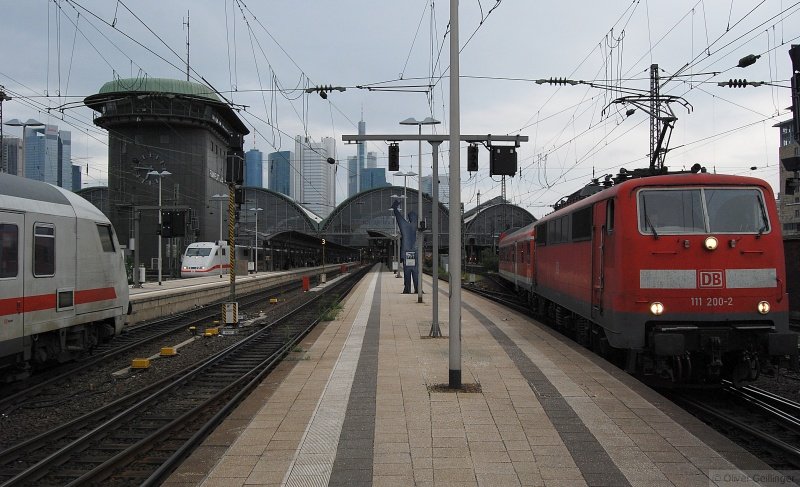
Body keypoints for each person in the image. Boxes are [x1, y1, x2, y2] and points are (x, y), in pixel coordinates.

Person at [391, 199, 419, 294]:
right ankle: (417, 288)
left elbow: (399, 218)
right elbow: (399, 217)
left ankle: (407, 288)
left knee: (408, 271)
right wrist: (395, 209)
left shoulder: (405, 226)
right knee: (415, 271)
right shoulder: (415, 227)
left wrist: (395, 208)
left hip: (407, 251)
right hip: (414, 251)